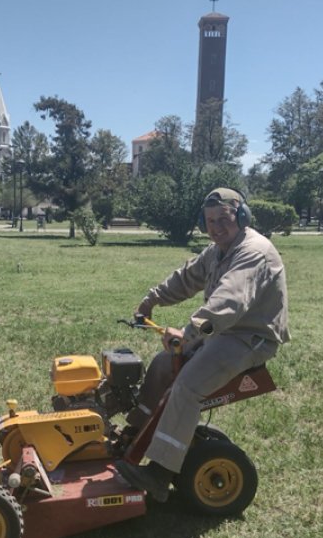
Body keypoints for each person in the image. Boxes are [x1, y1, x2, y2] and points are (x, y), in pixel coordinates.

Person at [115, 188, 290, 501]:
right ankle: (135, 433)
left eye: (223, 219)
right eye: (210, 220)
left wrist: (188, 334)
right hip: (224, 331)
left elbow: (229, 303)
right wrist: (151, 300)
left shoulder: (253, 252)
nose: (216, 227)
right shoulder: (217, 249)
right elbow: (186, 278)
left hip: (249, 337)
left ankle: (159, 473)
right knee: (163, 364)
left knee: (187, 386)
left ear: (242, 217)